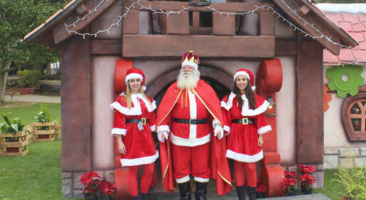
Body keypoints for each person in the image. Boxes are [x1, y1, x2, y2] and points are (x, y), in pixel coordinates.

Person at [156, 51, 231, 200]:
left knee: (201, 167)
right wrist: (163, 128)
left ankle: (201, 195)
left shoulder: (206, 89)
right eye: (184, 68)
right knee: (180, 167)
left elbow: (215, 110)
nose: (186, 71)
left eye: (189, 68)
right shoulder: (173, 88)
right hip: (178, 135)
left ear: (195, 70)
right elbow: (165, 111)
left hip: (202, 135)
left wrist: (217, 125)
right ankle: (185, 196)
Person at [221, 69, 272, 200]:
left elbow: (260, 118)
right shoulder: (229, 99)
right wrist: (224, 131)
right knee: (238, 166)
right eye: (239, 79)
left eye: (244, 79)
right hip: (236, 132)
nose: (241, 82)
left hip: (251, 132)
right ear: (235, 82)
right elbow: (225, 117)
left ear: (248, 81)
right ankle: (241, 197)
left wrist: (260, 135)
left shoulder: (256, 99)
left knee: (250, 166)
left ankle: (253, 197)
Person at [111, 68, 158, 200]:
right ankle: (136, 197)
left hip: (146, 135)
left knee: (149, 169)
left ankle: (144, 194)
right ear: (128, 83)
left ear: (141, 82)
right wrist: (119, 141)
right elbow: (118, 122)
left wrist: (156, 131)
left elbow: (152, 118)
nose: (135, 83)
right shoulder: (122, 100)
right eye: (132, 81)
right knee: (133, 170)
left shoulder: (148, 99)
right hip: (131, 136)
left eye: (137, 80)